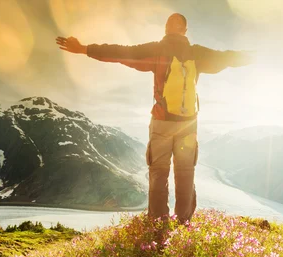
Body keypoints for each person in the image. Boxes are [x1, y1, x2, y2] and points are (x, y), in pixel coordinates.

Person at [56, 13, 252, 224]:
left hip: (161, 123)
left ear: (166, 29)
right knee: (185, 175)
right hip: (188, 125)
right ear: (185, 31)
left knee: (159, 175)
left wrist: (85, 49)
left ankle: (157, 226)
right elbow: (228, 57)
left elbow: (121, 52)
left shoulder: (156, 50)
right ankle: (183, 224)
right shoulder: (197, 54)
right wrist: (257, 56)